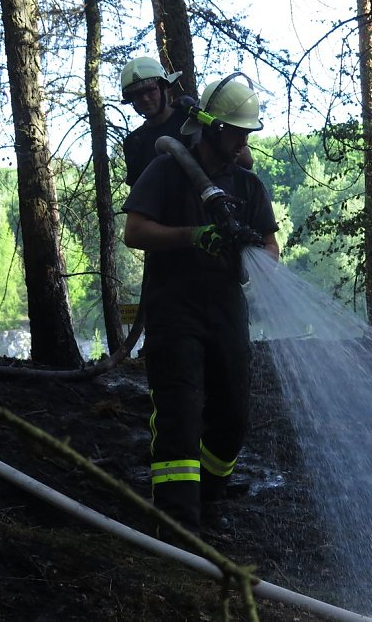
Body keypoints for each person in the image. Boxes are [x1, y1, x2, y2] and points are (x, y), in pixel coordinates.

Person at [122, 74, 280, 537]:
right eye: (235, 132)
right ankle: (176, 526)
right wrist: (195, 236)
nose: (241, 143)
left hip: (227, 310)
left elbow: (271, 248)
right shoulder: (168, 171)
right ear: (210, 127)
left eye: (246, 134)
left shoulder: (248, 187)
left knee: (232, 414)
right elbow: (135, 231)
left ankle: (210, 497)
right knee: (180, 412)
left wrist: (253, 253)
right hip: (175, 309)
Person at [120, 57, 253, 186]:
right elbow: (137, 192)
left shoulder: (191, 119)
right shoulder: (133, 142)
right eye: (137, 94)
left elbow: (246, 160)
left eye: (150, 90)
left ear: (164, 87)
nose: (145, 98)